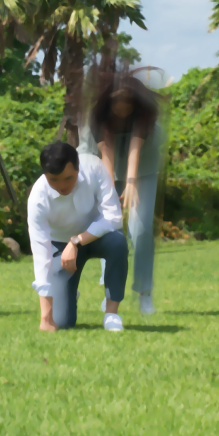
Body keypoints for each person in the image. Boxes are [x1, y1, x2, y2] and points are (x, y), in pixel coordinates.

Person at [79, 71, 165, 314]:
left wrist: (130, 182)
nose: (122, 109)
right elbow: (107, 157)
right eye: (118, 104)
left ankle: (144, 293)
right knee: (110, 228)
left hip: (143, 164)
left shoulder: (144, 115)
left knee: (142, 230)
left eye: (127, 104)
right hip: (105, 163)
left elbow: (135, 152)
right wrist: (108, 196)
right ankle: (110, 294)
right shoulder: (99, 117)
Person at [28, 142, 128, 332]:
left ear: (78, 168)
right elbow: (41, 255)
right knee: (62, 322)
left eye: (68, 178)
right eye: (54, 180)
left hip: (97, 236)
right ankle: (67, 292)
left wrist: (76, 241)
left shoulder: (94, 167)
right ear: (44, 175)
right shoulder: (37, 198)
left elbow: (114, 218)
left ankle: (111, 314)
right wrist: (45, 317)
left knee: (117, 242)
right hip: (59, 245)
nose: (62, 185)